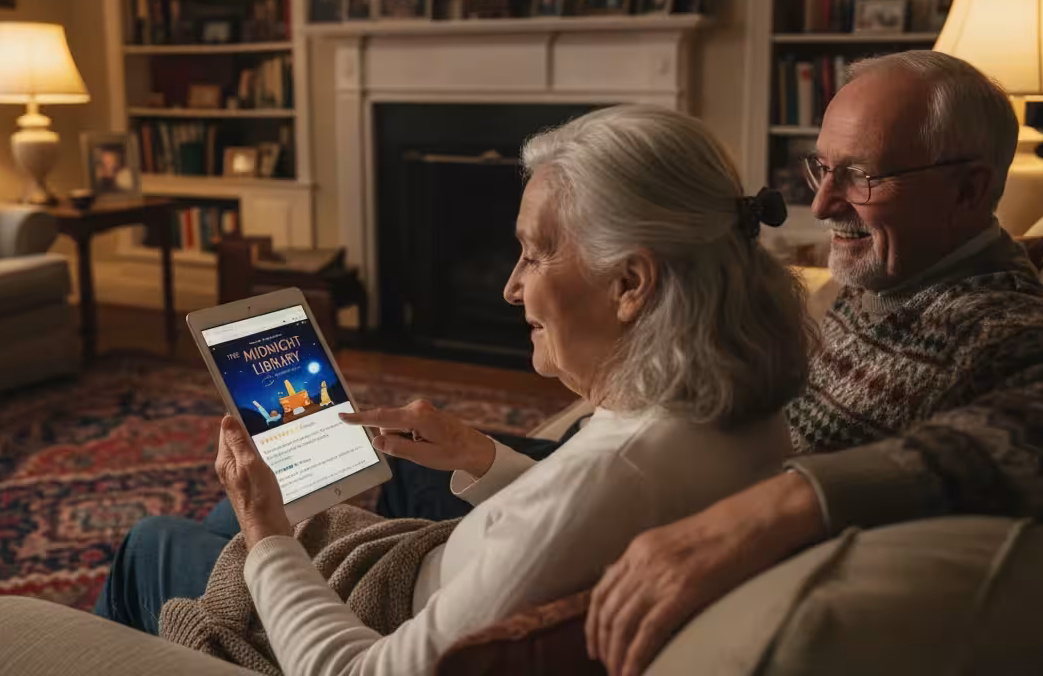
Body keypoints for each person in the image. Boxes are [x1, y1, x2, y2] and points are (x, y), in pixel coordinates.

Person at [93, 105, 815, 675]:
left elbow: (357, 671)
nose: (509, 286)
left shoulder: (617, 469)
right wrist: (482, 456)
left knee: (156, 542)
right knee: (239, 514)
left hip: (386, 616)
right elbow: (585, 529)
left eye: (533, 254)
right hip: (424, 576)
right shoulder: (735, 418)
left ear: (630, 283)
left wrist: (265, 534)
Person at [584, 50, 1043, 676]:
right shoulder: (894, 278)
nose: (824, 204)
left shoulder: (990, 322)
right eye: (822, 168)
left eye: (861, 177)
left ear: (968, 189)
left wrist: (791, 503)